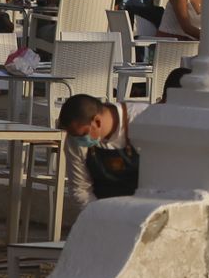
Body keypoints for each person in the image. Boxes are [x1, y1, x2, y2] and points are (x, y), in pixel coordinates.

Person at [57, 93, 147, 225]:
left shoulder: (141, 119)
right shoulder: (75, 139)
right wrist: (100, 218)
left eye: (82, 135)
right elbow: (80, 188)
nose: (78, 140)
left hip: (142, 210)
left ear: (97, 122)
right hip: (102, 209)